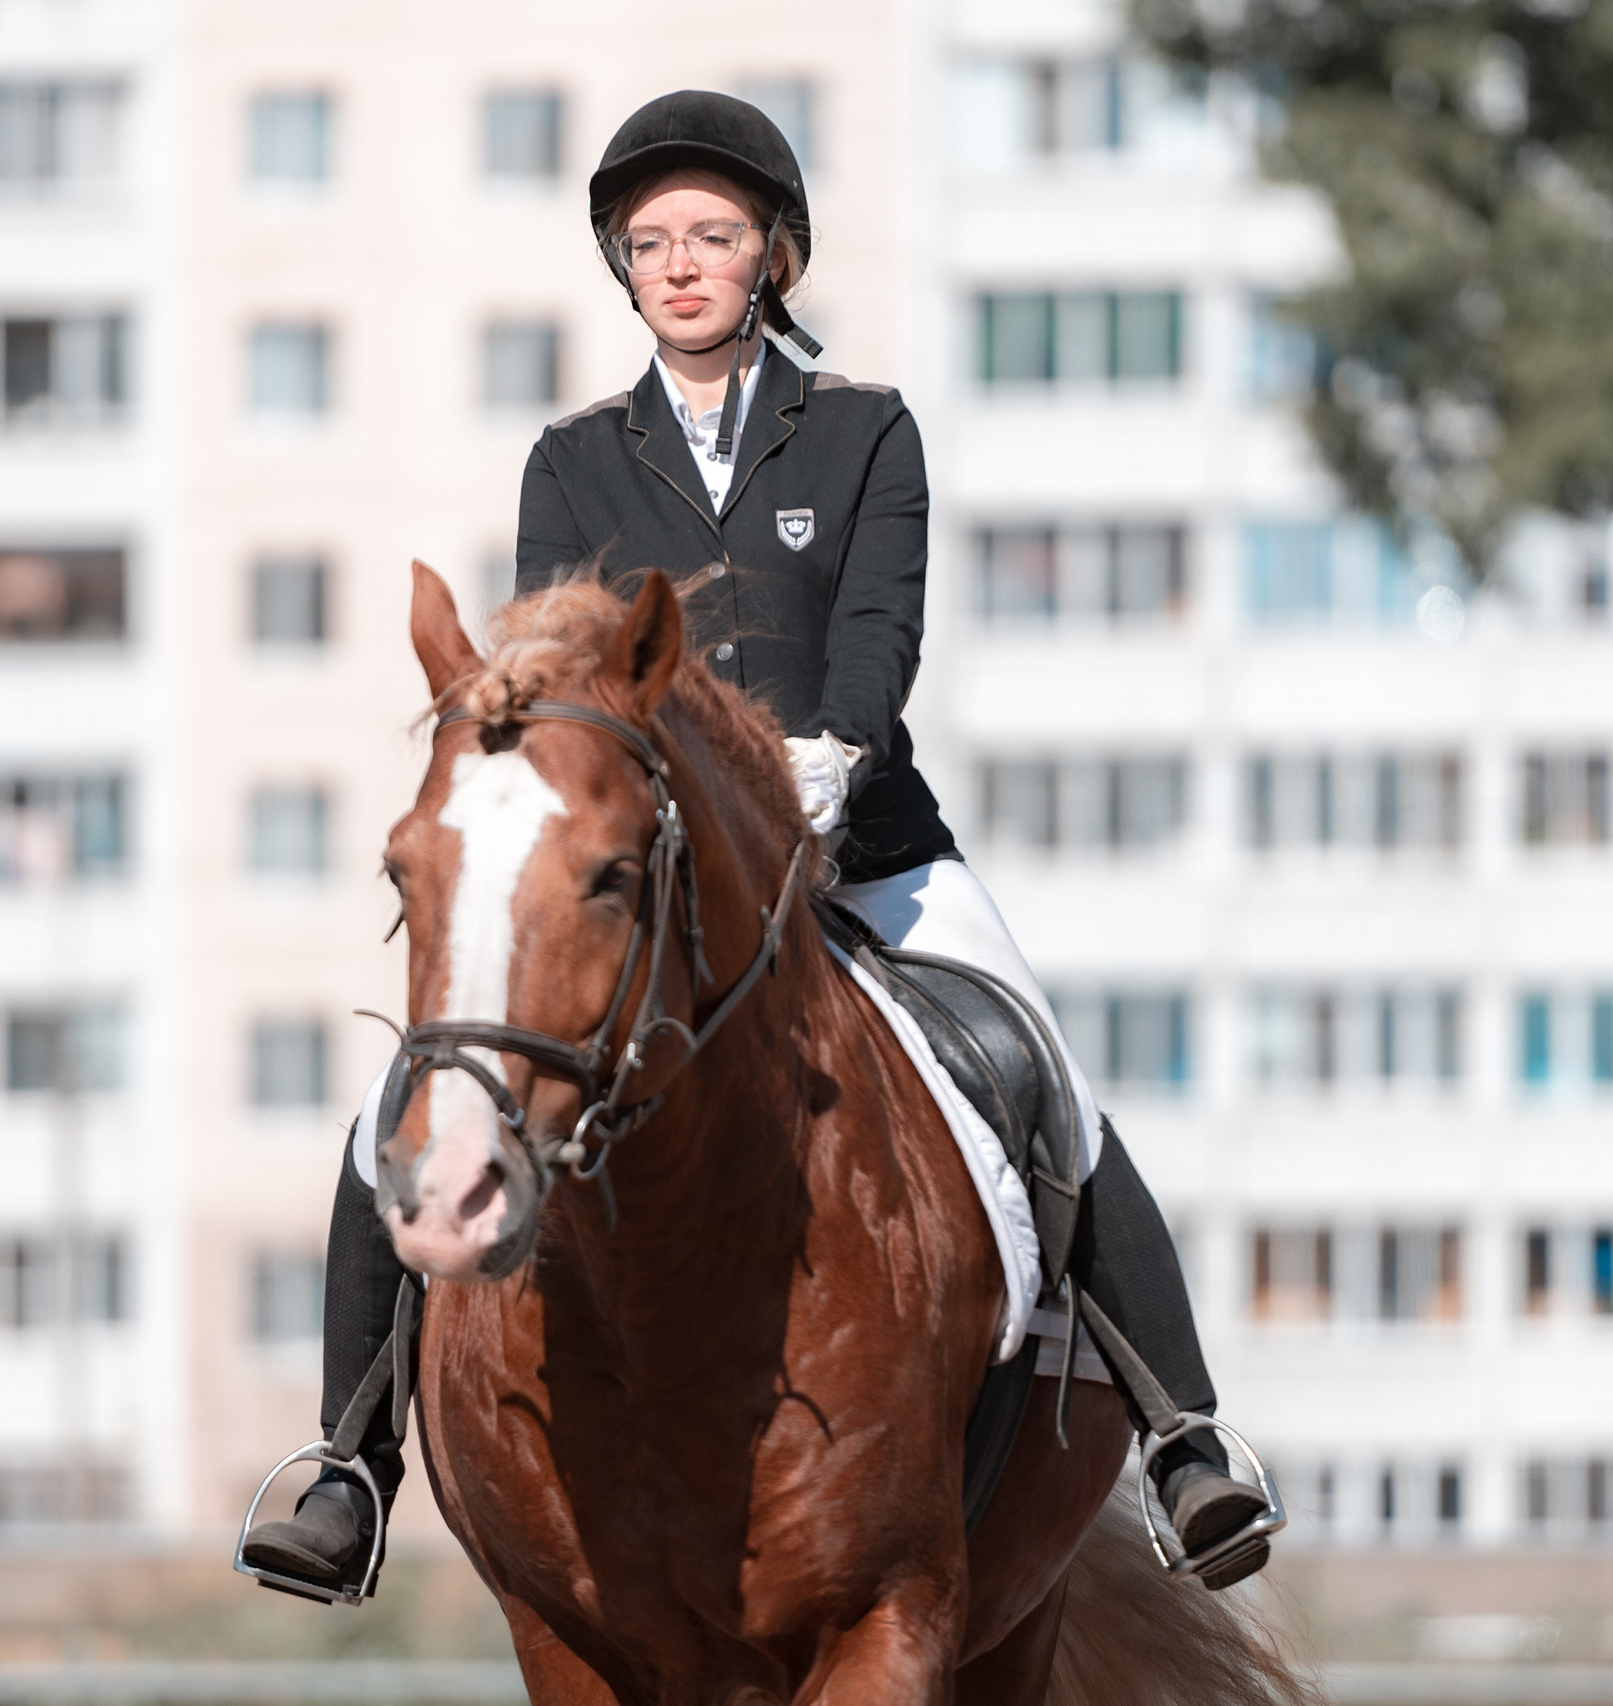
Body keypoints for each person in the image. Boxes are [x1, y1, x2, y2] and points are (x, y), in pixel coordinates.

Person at [242, 90, 1275, 1597]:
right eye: (650, 242)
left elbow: (878, 639)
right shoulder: (574, 458)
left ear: (772, 252)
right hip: (648, 874)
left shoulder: (864, 431)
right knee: (400, 1105)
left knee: (1044, 1067)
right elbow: (549, 671)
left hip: (862, 848)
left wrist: (822, 771)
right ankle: (348, 1461)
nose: (678, 265)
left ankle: (1187, 1437)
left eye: (710, 237)